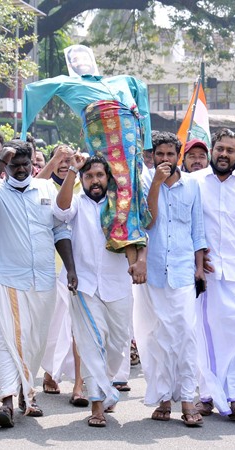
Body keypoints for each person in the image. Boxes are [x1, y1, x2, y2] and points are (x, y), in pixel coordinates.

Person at [0, 140, 76, 428]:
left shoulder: (46, 189)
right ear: (6, 166)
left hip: (43, 278)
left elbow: (60, 228)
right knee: (10, 339)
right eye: (14, 164)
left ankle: (24, 391)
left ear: (33, 162)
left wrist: (70, 268)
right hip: (10, 279)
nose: (20, 170)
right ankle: (6, 401)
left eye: (25, 164)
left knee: (34, 341)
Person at [22, 60, 153, 265]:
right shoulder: (68, 82)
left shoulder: (124, 81)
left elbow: (142, 90)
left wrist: (146, 143)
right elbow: (32, 90)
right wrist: (22, 137)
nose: (79, 62)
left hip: (130, 135)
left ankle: (134, 256)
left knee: (130, 187)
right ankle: (129, 252)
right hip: (102, 131)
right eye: (74, 60)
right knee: (117, 185)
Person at [54, 154, 144, 428]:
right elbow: (60, 212)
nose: (95, 181)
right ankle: (97, 405)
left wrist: (139, 262)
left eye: (99, 176)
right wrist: (72, 170)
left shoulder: (122, 207)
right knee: (92, 344)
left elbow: (137, 235)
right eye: (89, 176)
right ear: (83, 179)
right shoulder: (77, 203)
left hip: (117, 284)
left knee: (118, 344)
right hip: (84, 285)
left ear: (108, 179)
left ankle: (105, 388)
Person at [132, 131, 207, 427]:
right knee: (155, 336)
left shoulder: (191, 186)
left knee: (185, 335)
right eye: (159, 154)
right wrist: (156, 184)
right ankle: (163, 397)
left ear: (179, 156)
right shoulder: (144, 182)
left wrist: (199, 267)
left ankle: (188, 397)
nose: (164, 159)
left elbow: (197, 229)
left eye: (170, 154)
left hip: (183, 270)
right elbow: (147, 222)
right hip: (152, 271)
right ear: (153, 156)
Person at [192, 128, 235, 419]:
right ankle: (206, 396)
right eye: (220, 149)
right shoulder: (193, 183)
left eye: (230, 150)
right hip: (204, 272)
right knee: (205, 333)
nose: (224, 154)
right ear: (212, 150)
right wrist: (198, 253)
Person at [35, 143, 88, 406]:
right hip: (49, 265)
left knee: (79, 327)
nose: (65, 163)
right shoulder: (44, 185)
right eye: (61, 159)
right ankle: (49, 372)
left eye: (70, 159)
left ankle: (79, 382)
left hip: (81, 266)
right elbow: (29, 190)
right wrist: (53, 160)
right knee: (52, 325)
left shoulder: (84, 181)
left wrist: (81, 168)